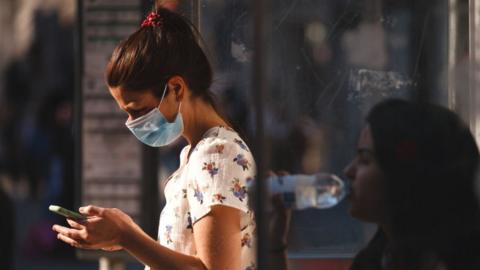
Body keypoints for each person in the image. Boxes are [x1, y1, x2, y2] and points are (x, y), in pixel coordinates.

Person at [52, 7, 256, 270]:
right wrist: (127, 235)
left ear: (176, 88)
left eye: (138, 109)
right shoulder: (196, 153)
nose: (132, 122)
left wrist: (127, 235)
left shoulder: (216, 154)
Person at [270, 99, 480, 270]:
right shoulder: (378, 258)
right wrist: (275, 243)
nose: (348, 171)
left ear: (401, 175)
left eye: (365, 160)